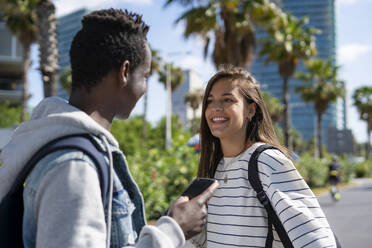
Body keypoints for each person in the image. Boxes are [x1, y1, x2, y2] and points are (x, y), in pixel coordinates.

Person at [0, 9, 218, 248]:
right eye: (144, 76)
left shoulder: (64, 146)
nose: (145, 88)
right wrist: (173, 231)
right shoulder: (75, 165)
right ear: (124, 72)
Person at [187, 66, 338, 247]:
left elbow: (316, 239)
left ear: (250, 110)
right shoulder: (215, 168)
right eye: (210, 101)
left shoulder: (266, 161)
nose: (215, 108)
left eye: (227, 100)